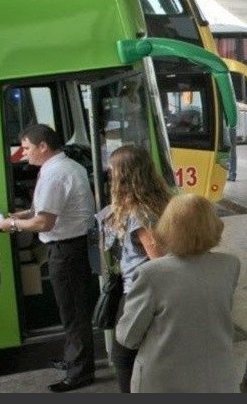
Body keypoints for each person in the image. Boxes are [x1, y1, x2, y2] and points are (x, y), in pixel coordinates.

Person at [0, 123, 96, 393]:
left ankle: (79, 373)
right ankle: (75, 360)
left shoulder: (54, 174)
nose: (23, 153)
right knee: (73, 310)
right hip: (72, 248)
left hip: (65, 251)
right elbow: (41, 211)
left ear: (43, 146)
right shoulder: (66, 166)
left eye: (27, 147)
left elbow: (44, 222)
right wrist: (16, 216)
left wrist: (13, 226)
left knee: (73, 313)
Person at [115, 193, 240, 392]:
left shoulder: (151, 274)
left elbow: (128, 337)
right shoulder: (230, 265)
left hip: (164, 380)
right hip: (217, 377)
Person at [102, 145, 173, 392]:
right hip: (146, 291)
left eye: (113, 172)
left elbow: (159, 260)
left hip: (139, 293)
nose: (109, 177)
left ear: (125, 176)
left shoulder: (139, 213)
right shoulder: (160, 202)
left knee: (122, 355)